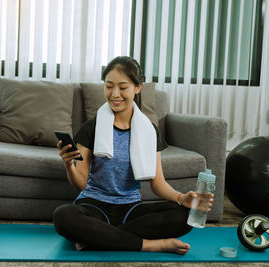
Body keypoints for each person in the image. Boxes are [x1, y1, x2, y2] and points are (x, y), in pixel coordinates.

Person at [53, 56, 214, 255]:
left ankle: (98, 238)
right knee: (63, 216)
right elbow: (81, 184)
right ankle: (151, 245)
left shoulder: (149, 130)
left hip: (130, 209)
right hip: (94, 206)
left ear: (137, 87)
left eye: (122, 87)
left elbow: (158, 183)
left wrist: (182, 198)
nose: (114, 94)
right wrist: (69, 165)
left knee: (185, 216)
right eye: (109, 86)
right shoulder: (91, 128)